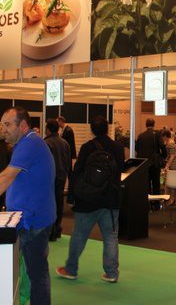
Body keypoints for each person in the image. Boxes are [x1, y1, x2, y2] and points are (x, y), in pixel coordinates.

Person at [0, 107, 56, 305]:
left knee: (35, 272)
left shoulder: (29, 143)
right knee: (33, 270)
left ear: (22, 125)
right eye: (2, 124)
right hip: (30, 218)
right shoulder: (27, 143)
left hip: (32, 221)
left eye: (7, 124)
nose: (2, 129)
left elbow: (7, 176)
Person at [57, 116, 124, 283]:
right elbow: (119, 173)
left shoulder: (87, 147)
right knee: (111, 237)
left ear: (92, 130)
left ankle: (71, 269)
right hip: (110, 200)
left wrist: (72, 196)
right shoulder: (118, 148)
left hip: (88, 200)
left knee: (79, 235)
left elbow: (77, 172)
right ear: (108, 128)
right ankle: (111, 273)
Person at [44, 119, 72, 241]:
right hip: (61, 177)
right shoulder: (65, 143)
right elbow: (68, 162)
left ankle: (50, 231)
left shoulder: (46, 143)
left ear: (48, 129)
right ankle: (57, 228)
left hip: (49, 179)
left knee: (49, 204)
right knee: (59, 203)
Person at [136, 118, 165, 202]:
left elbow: (137, 149)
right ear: (154, 124)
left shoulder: (140, 136)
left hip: (144, 163)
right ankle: (156, 204)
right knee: (156, 184)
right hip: (155, 163)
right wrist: (162, 156)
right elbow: (162, 146)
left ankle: (147, 204)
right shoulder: (157, 134)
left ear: (146, 125)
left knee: (146, 184)